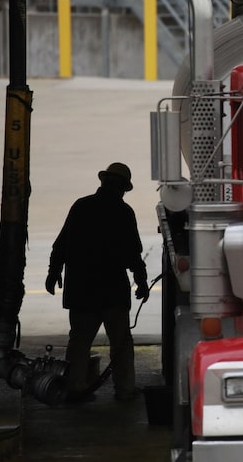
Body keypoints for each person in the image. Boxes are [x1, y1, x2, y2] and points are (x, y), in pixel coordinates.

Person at [45, 162, 149, 403]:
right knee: (121, 343)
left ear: (103, 182)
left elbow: (60, 245)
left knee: (79, 343)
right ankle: (125, 390)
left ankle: (75, 388)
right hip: (112, 291)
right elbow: (133, 253)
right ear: (123, 188)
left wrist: (53, 271)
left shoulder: (81, 206)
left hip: (82, 290)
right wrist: (140, 280)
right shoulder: (124, 212)